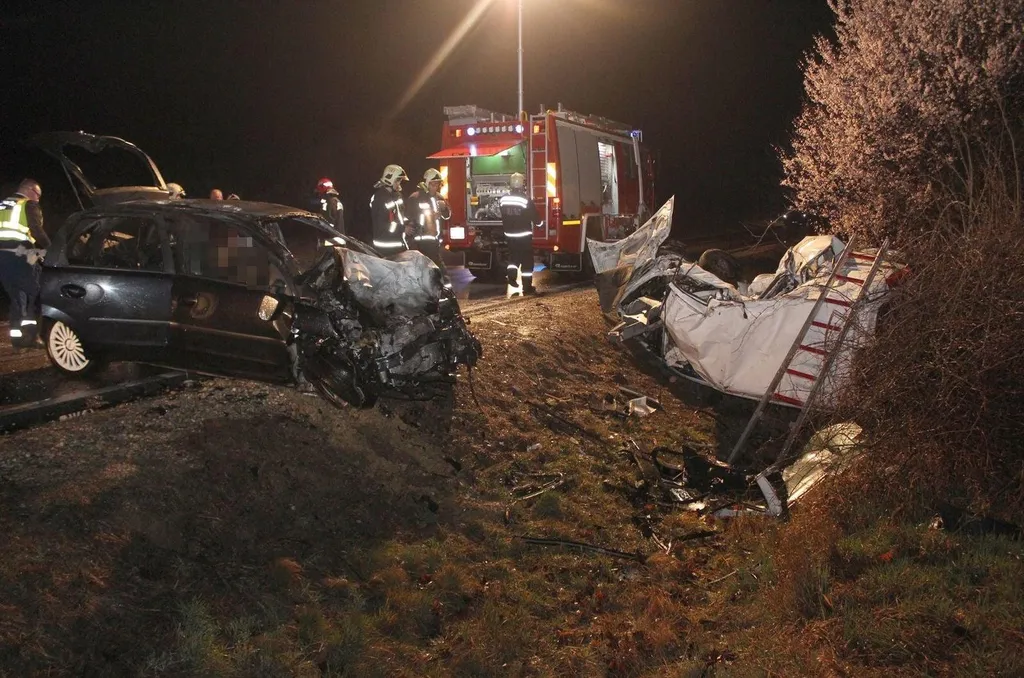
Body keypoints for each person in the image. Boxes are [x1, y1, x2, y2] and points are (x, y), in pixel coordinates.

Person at [0, 179, 50, 347]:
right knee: (36, 294)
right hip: (21, 255)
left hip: (2, 258)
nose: (38, 199)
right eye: (38, 195)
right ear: (30, 191)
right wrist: (51, 249)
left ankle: (17, 338)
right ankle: (34, 336)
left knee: (16, 296)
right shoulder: (28, 205)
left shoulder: (3, 205)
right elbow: (36, 230)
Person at [498, 172, 540, 295]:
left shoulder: (503, 199)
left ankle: (511, 277)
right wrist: (540, 224)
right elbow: (534, 216)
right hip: (523, 235)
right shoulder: (525, 200)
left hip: (510, 235)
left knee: (513, 257)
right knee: (527, 261)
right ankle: (527, 287)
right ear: (522, 185)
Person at [408, 168, 451, 282]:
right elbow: (409, 217)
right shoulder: (416, 197)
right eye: (433, 184)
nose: (435, 187)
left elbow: (448, 216)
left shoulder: (439, 197)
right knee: (433, 269)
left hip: (434, 240)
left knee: (433, 269)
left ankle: (441, 288)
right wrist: (431, 216)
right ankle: (444, 287)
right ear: (427, 183)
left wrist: (444, 209)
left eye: (438, 184)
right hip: (420, 240)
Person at [369, 164, 410, 258]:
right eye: (398, 180)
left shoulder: (397, 196)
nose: (399, 184)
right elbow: (382, 224)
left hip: (398, 245)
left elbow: (400, 217)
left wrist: (409, 223)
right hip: (386, 248)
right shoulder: (380, 198)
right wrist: (403, 229)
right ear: (390, 179)